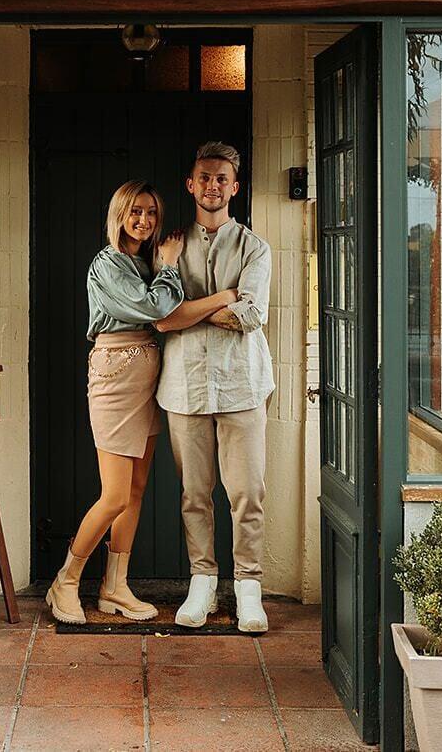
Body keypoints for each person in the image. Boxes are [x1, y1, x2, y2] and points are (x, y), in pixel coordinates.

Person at [46, 180, 239, 625]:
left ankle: (115, 587)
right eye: (135, 211)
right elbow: (157, 310)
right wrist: (174, 268)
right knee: (113, 494)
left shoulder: (141, 262)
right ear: (119, 214)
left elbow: (170, 318)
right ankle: (67, 580)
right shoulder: (108, 263)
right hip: (115, 377)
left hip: (148, 376)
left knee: (134, 491)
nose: (144, 220)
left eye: (152, 212)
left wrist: (178, 282)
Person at [154, 142, 275, 633]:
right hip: (184, 388)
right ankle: (201, 583)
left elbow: (252, 315)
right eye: (204, 177)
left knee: (247, 493)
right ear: (191, 183)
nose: (212, 186)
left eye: (221, 178)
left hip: (242, 387)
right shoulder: (170, 247)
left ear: (234, 186)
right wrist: (223, 298)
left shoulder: (254, 248)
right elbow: (161, 317)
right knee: (194, 494)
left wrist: (193, 309)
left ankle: (249, 588)